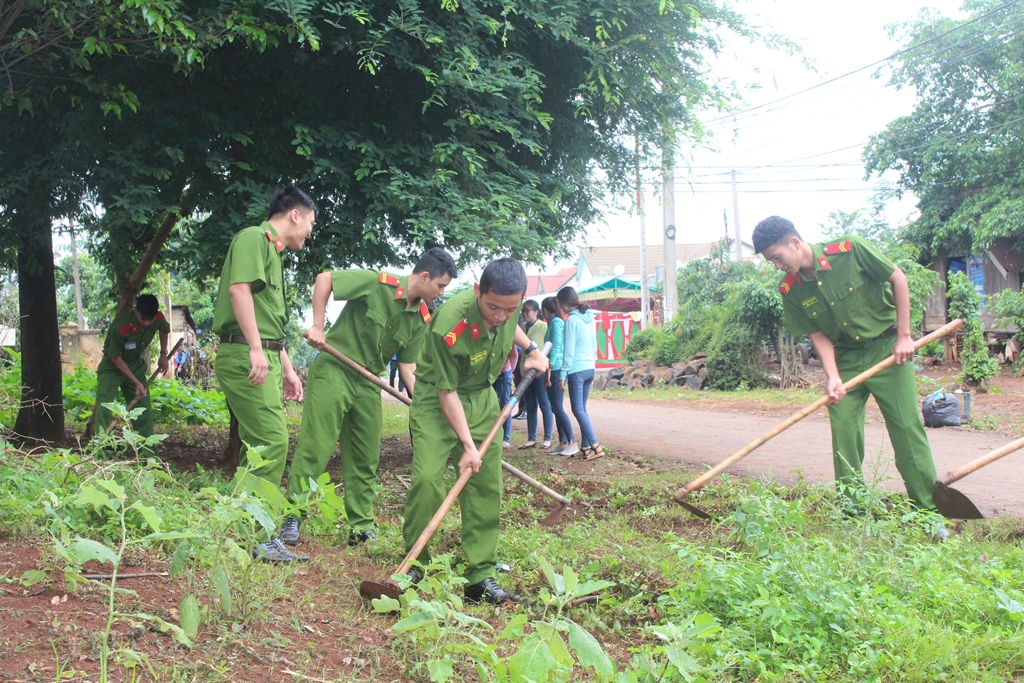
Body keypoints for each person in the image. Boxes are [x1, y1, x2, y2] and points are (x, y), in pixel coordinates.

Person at [751, 215, 943, 518]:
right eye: (770, 261)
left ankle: (928, 512)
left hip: (888, 350)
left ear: (795, 243)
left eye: (777, 257)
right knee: (843, 429)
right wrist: (832, 376)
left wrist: (905, 336)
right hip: (846, 359)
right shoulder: (791, 289)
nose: (777, 265)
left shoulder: (849, 249)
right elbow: (818, 334)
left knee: (906, 428)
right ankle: (852, 511)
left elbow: (898, 278)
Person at [282, 248, 457, 547]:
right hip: (335, 369)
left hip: (368, 382)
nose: (440, 293)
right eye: (440, 286)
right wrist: (318, 325)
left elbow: (408, 365)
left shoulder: (421, 317)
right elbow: (325, 280)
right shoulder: (377, 282)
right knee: (316, 445)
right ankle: (292, 516)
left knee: (366, 454)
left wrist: (424, 402)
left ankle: (360, 526)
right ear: (425, 276)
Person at [403, 257, 549, 604]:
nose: (499, 316)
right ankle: (414, 567)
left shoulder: (508, 308)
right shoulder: (448, 323)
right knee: (426, 479)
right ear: (477, 291)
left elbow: (511, 325)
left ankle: (480, 575)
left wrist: (531, 349)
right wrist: (468, 446)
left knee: (485, 486)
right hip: (438, 399)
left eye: (509, 309)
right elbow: (446, 392)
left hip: (483, 398)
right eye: (492, 306)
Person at [212, 185, 316, 563]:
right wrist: (256, 349)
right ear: (294, 214)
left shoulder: (273, 252)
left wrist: (287, 368)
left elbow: (269, 319)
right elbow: (239, 293)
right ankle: (256, 535)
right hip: (245, 354)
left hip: (265, 354)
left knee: (263, 444)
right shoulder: (254, 239)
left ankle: (245, 527)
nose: (309, 231)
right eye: (310, 223)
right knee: (271, 441)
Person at [95, 294, 170, 457]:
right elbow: (115, 358)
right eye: (143, 319)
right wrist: (136, 382)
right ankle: (101, 454)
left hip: (135, 365)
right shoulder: (120, 327)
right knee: (104, 408)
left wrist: (163, 354)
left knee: (143, 409)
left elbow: (164, 329)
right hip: (112, 367)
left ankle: (149, 456)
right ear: (136, 311)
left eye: (150, 320)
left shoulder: (157, 318)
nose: (147, 323)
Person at [558, 286, 603, 460]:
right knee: (582, 409)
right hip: (589, 367)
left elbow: (568, 351)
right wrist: (594, 365)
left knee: (577, 409)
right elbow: (594, 344)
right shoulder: (589, 317)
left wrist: (562, 375)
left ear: (562, 303)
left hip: (576, 370)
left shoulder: (571, 321)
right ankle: (585, 447)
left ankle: (595, 445)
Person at [542, 296, 577, 455]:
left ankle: (572, 441)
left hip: (556, 368)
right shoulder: (554, 323)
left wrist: (549, 368)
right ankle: (563, 442)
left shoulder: (556, 322)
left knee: (558, 407)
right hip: (552, 368)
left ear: (544, 310)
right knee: (555, 408)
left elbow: (555, 347)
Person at [517, 299, 553, 450]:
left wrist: (548, 374)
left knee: (544, 405)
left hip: (540, 372)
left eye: (528, 311)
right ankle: (531, 438)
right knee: (530, 405)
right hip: (525, 372)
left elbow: (547, 349)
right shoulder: (522, 327)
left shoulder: (543, 326)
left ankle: (547, 438)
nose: (525, 314)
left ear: (537, 312)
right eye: (523, 311)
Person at [492, 345, 518, 448]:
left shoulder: (509, 336)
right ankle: (491, 435)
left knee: (505, 406)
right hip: (491, 374)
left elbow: (514, 355)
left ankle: (505, 438)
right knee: (491, 405)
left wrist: (511, 370)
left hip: (504, 373)